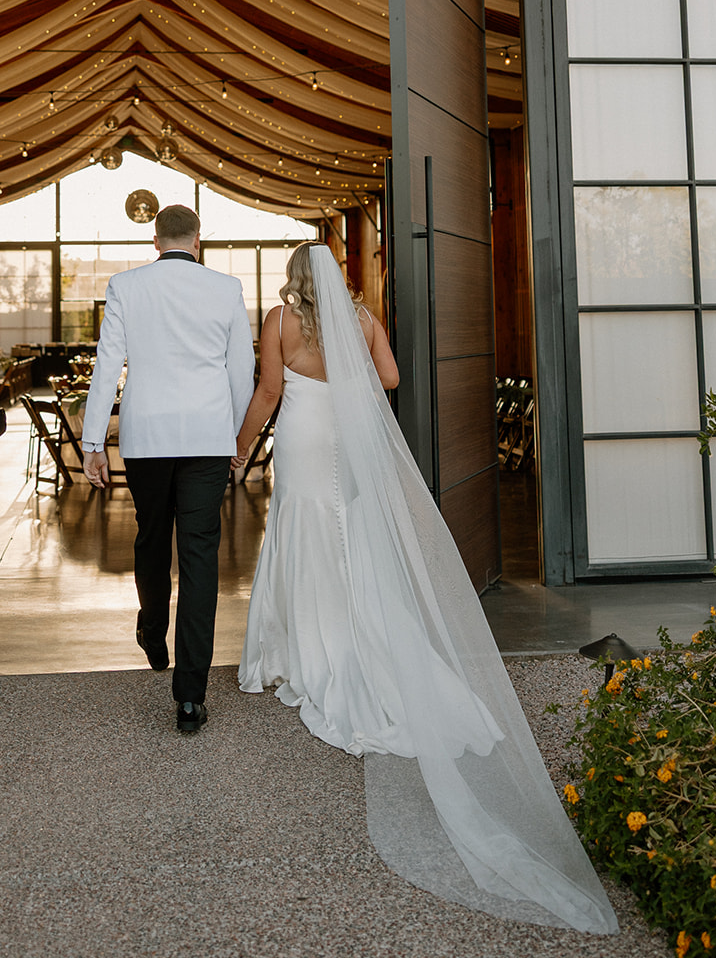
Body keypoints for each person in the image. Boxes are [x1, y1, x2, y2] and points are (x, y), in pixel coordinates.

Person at [233, 242, 617, 935]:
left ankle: (298, 646)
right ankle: (358, 636)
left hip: (298, 438)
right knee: (349, 533)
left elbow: (266, 391)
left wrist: (240, 447)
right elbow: (389, 378)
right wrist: (342, 378)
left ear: (292, 281)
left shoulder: (278, 321)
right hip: (344, 442)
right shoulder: (364, 318)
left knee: (301, 527)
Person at [81, 204, 255, 734]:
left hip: (147, 435)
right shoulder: (227, 289)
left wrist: (92, 441)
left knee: (152, 537)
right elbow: (240, 371)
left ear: (155, 241)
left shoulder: (126, 286)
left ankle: (153, 628)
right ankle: (189, 697)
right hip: (206, 436)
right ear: (198, 240)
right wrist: (239, 440)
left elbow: (107, 363)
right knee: (200, 554)